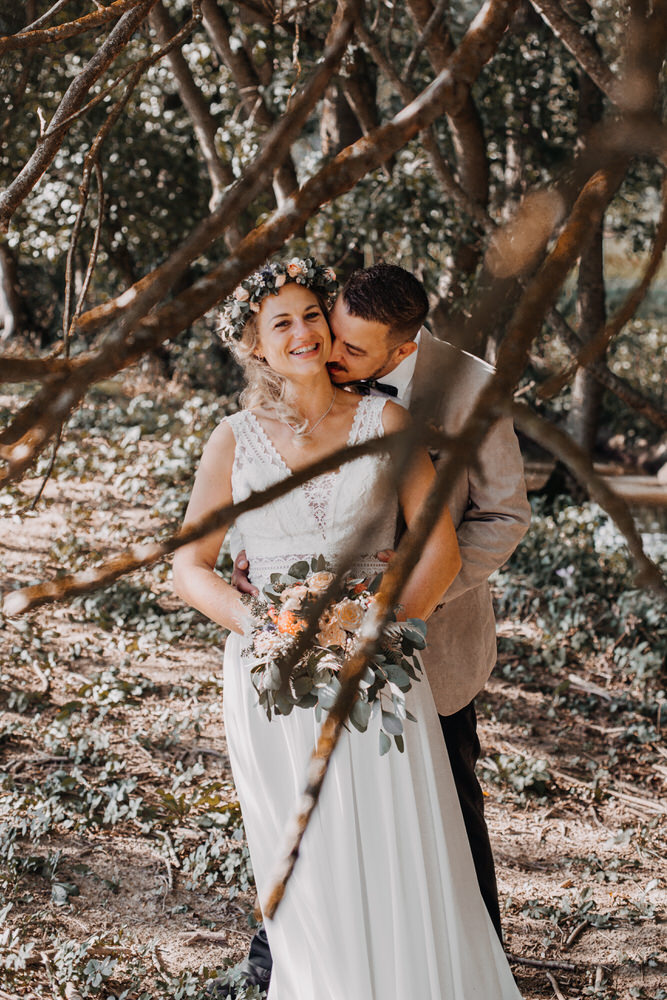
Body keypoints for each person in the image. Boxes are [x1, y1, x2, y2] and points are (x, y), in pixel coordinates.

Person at [172, 257, 524, 1000]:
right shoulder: (232, 439)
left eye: (313, 318)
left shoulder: (406, 411)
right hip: (275, 679)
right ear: (253, 344)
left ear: (401, 349)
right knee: (300, 848)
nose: (314, 338)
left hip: (389, 666)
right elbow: (189, 566)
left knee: (417, 841)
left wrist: (380, 626)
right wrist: (265, 628)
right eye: (288, 322)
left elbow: (455, 541)